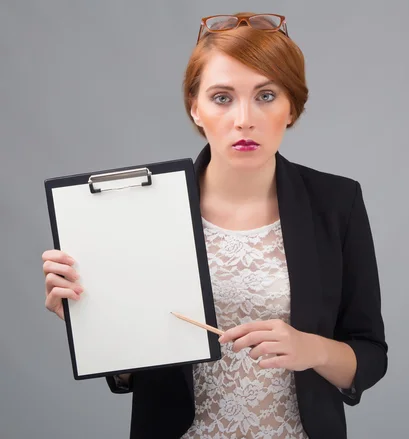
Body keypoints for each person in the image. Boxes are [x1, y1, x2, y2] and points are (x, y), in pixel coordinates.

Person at [41, 11, 387, 439]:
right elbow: (132, 372)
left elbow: (370, 356)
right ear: (196, 108)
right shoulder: (141, 208)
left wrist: (310, 348)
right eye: (222, 97)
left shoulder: (337, 202)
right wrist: (93, 320)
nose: (244, 118)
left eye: (266, 95)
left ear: (292, 107)